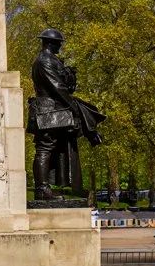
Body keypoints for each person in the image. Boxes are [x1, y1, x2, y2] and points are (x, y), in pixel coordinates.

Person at [29, 28, 105, 201]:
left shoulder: (51, 60)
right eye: (58, 44)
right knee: (44, 148)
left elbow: (64, 85)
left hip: (53, 111)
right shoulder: (44, 61)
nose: (60, 47)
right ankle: (41, 189)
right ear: (49, 43)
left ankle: (91, 131)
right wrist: (74, 107)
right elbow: (58, 89)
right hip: (49, 111)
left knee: (50, 148)